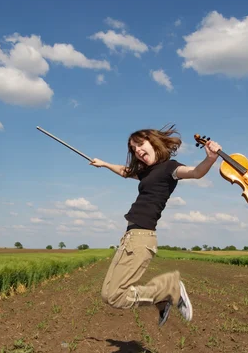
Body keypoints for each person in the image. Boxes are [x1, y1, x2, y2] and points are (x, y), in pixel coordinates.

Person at [90, 124, 221, 327]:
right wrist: (104, 164)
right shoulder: (148, 172)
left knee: (116, 296)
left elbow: (195, 172)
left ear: (153, 142)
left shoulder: (170, 168)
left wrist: (211, 159)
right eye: (134, 150)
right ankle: (161, 300)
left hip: (142, 237)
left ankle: (171, 289)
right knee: (108, 295)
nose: (138, 152)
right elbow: (126, 172)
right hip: (130, 236)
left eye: (140, 145)